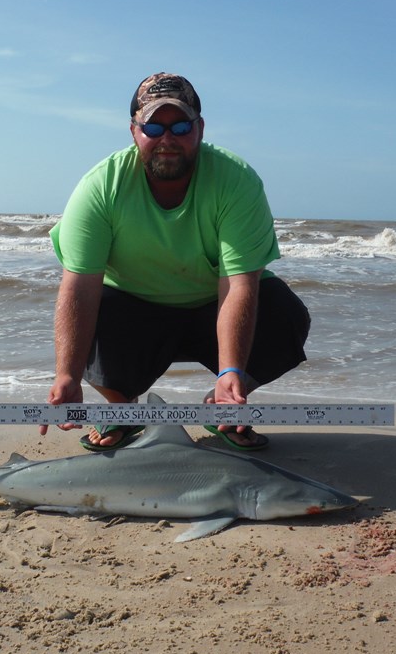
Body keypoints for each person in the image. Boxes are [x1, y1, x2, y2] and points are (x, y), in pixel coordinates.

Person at [40, 73, 310, 451]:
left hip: (213, 306)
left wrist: (232, 371)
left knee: (285, 314)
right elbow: (79, 286)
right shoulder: (100, 186)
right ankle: (121, 410)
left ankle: (225, 402)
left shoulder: (237, 181)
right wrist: (66, 376)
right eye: (154, 127)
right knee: (93, 312)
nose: (167, 139)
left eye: (181, 126)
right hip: (135, 311)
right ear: (134, 132)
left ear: (200, 129)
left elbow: (238, 284)